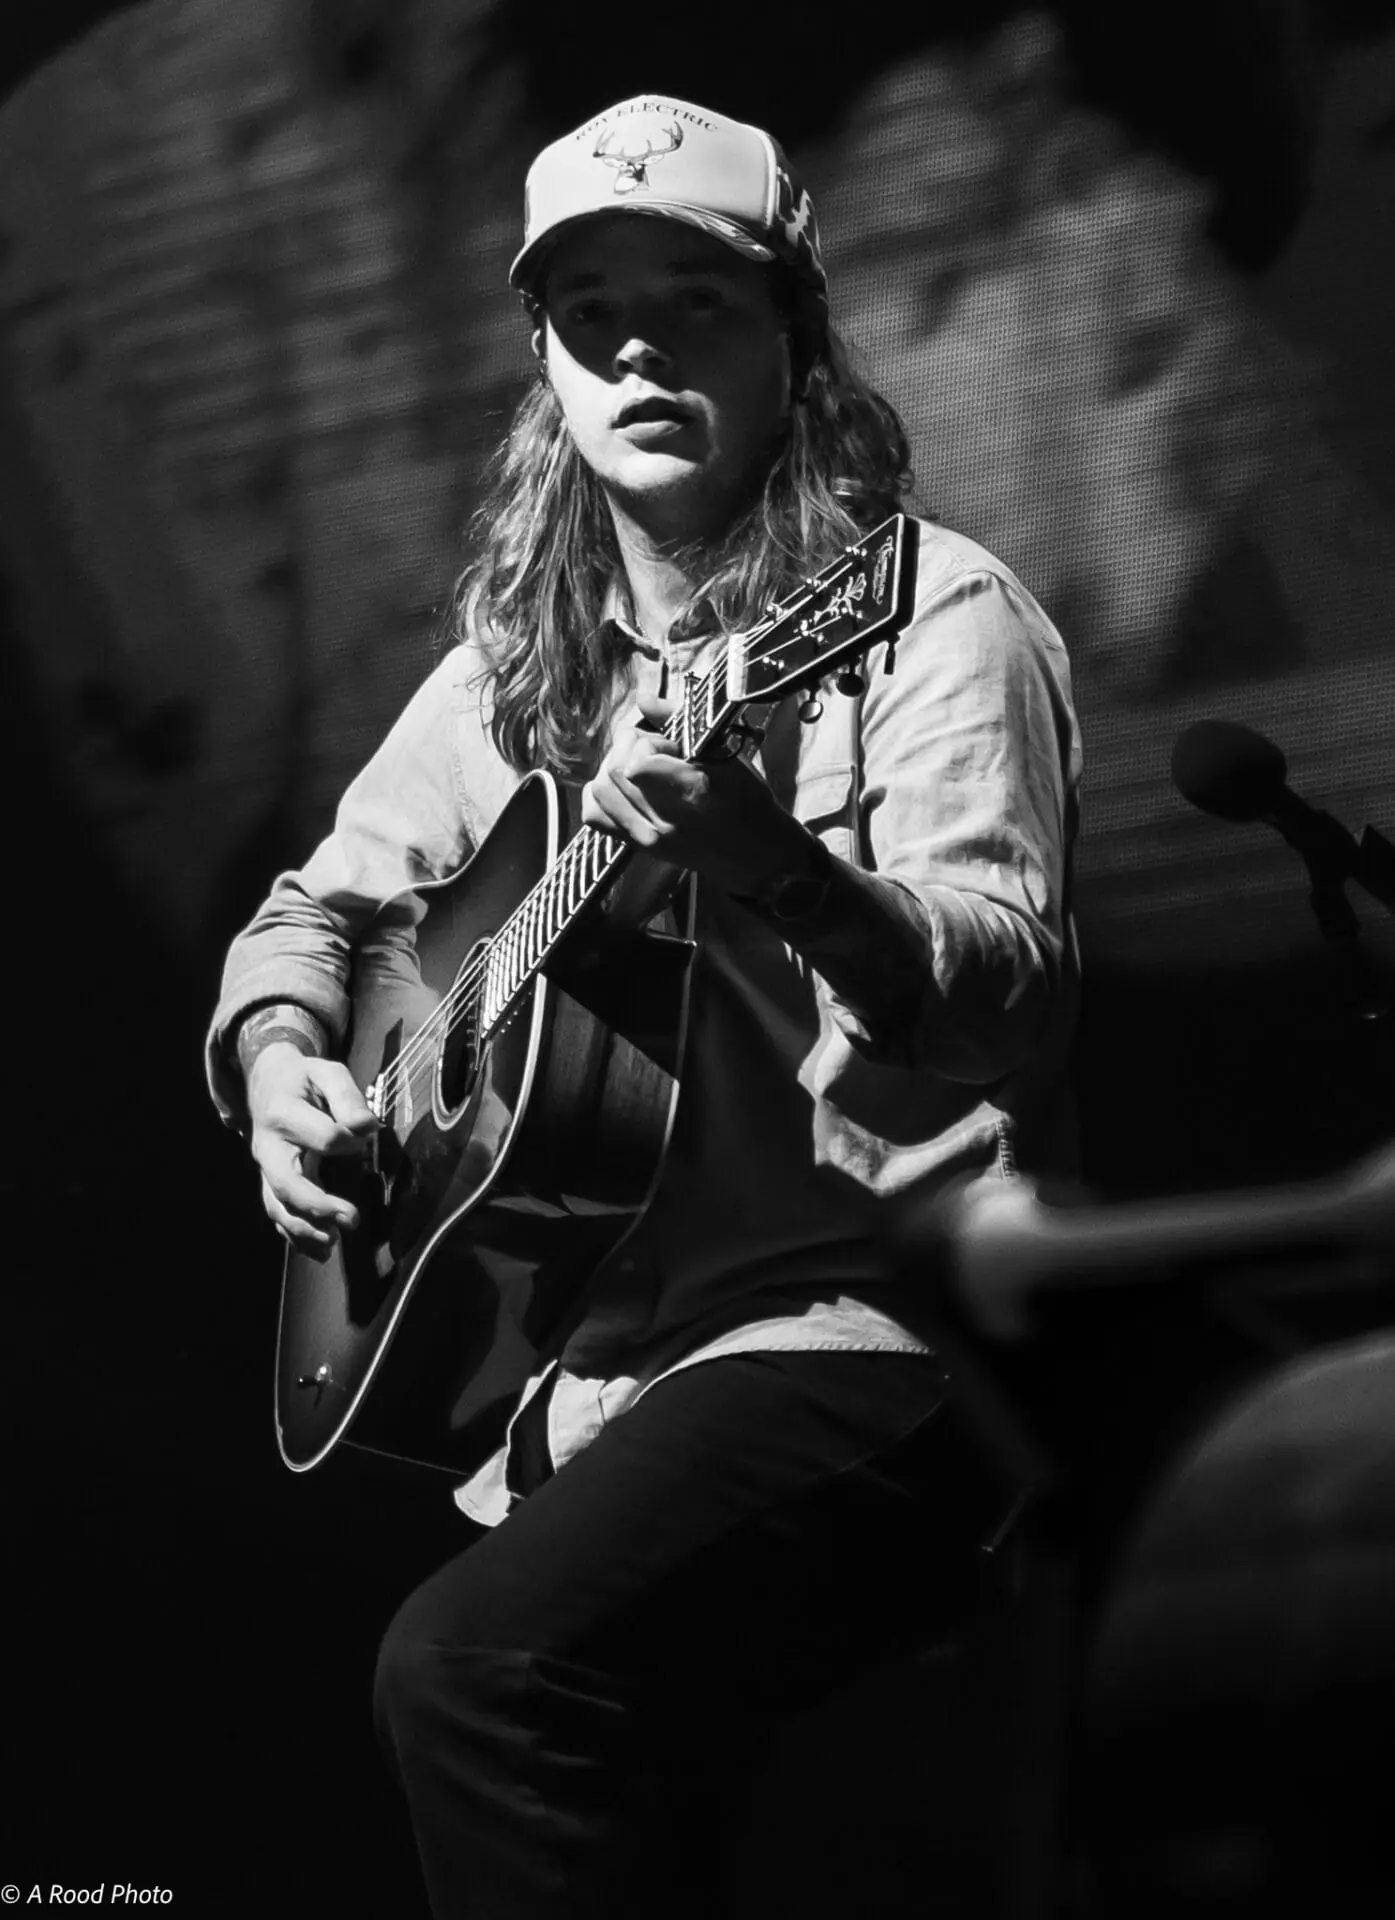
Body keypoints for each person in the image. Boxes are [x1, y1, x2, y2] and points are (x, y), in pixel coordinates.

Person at [207, 93, 1082, 1919]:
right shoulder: (515, 670)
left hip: (879, 1340)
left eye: (688, 297)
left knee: (477, 1671)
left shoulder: (926, 621)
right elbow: (318, 909)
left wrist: (788, 872)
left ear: (792, 336)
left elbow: (1002, 993)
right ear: (541, 355)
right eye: (586, 304)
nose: (631, 341)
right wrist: (290, 1060)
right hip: (595, 1388)